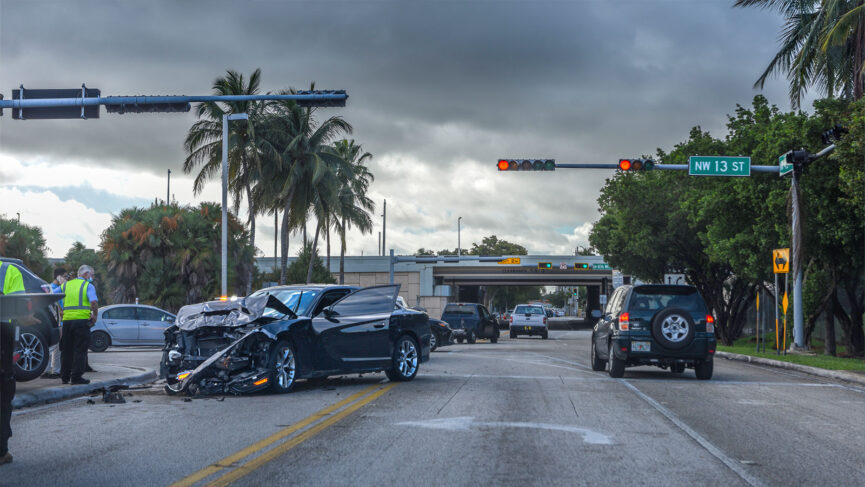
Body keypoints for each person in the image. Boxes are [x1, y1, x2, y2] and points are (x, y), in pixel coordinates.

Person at [0, 260, 26, 466]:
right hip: (2, 337)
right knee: (3, 393)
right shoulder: (8, 270)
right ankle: (1, 452)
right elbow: (20, 309)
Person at [58, 265, 98, 385]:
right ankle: (76, 378)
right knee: (80, 350)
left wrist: (60, 309)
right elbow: (94, 302)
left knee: (66, 350)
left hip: (67, 321)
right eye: (92, 274)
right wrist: (95, 315)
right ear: (86, 274)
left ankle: (65, 377)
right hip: (81, 322)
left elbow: (51, 295)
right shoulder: (88, 286)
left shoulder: (65, 285)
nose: (93, 277)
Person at [42, 268, 67, 379]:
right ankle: (48, 371)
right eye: (65, 276)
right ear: (58, 277)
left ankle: (55, 370)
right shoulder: (51, 289)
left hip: (59, 321)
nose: (66, 278)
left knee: (56, 348)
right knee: (53, 347)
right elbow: (54, 307)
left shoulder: (59, 288)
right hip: (55, 322)